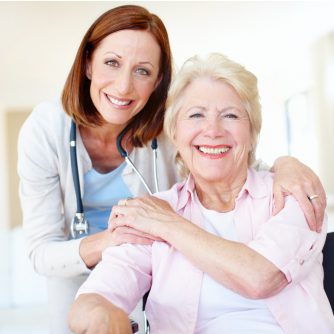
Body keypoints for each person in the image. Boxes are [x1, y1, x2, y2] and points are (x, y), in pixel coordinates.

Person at [17, 4, 326, 334]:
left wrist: (287, 164)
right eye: (112, 62)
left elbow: (259, 269)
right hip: (79, 261)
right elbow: (77, 281)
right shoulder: (46, 130)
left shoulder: (285, 199)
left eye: (232, 115)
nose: (123, 87)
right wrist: (101, 306)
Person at [69, 53, 334, 334]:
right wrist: (101, 317)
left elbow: (261, 277)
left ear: (252, 131)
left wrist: (168, 225)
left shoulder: (292, 194)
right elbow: (96, 295)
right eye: (196, 115)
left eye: (230, 115)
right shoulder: (156, 209)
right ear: (175, 132)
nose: (213, 130)